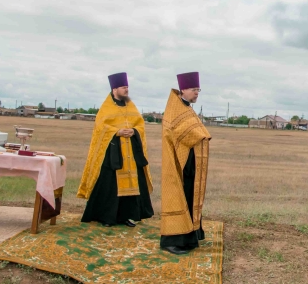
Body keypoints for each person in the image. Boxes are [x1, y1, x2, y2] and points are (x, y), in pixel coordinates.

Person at [78, 72, 155, 228]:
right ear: (114, 89)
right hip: (112, 152)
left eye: (127, 87)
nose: (126, 90)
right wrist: (116, 132)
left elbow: (140, 124)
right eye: (123, 87)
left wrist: (134, 131)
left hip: (131, 153)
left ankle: (128, 216)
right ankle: (106, 216)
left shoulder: (131, 105)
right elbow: (100, 128)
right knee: (109, 185)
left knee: (133, 183)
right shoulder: (106, 107)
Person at [160, 72, 212, 254]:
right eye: (194, 89)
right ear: (183, 89)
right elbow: (179, 130)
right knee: (178, 198)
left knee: (189, 197)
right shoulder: (175, 108)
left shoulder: (187, 107)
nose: (197, 92)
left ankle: (189, 237)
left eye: (198, 89)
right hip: (178, 163)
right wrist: (201, 135)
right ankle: (171, 241)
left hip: (190, 163)